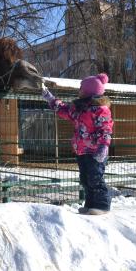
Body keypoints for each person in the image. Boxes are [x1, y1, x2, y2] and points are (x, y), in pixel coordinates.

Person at [42, 73, 114, 215]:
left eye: (81, 88)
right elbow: (63, 110)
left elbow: (105, 129)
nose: (79, 90)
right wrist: (49, 97)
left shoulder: (101, 109)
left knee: (95, 178)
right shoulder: (79, 108)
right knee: (85, 179)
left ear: (89, 91)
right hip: (81, 150)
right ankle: (90, 205)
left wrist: (103, 146)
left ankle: (102, 205)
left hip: (95, 151)